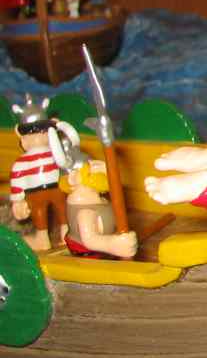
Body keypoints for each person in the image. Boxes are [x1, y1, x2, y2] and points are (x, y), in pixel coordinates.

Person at [48, 122, 138, 259]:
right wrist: (115, 244)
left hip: (106, 251)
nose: (98, 169)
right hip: (91, 256)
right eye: (91, 170)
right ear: (73, 178)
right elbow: (90, 240)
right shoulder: (85, 211)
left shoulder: (99, 200)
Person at [8, 96, 70, 251]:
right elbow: (17, 180)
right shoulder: (24, 161)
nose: (35, 138)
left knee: (61, 211)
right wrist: (18, 200)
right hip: (38, 193)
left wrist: (17, 198)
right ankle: (49, 237)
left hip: (54, 188)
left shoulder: (55, 154)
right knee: (43, 213)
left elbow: (65, 166)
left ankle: (63, 234)